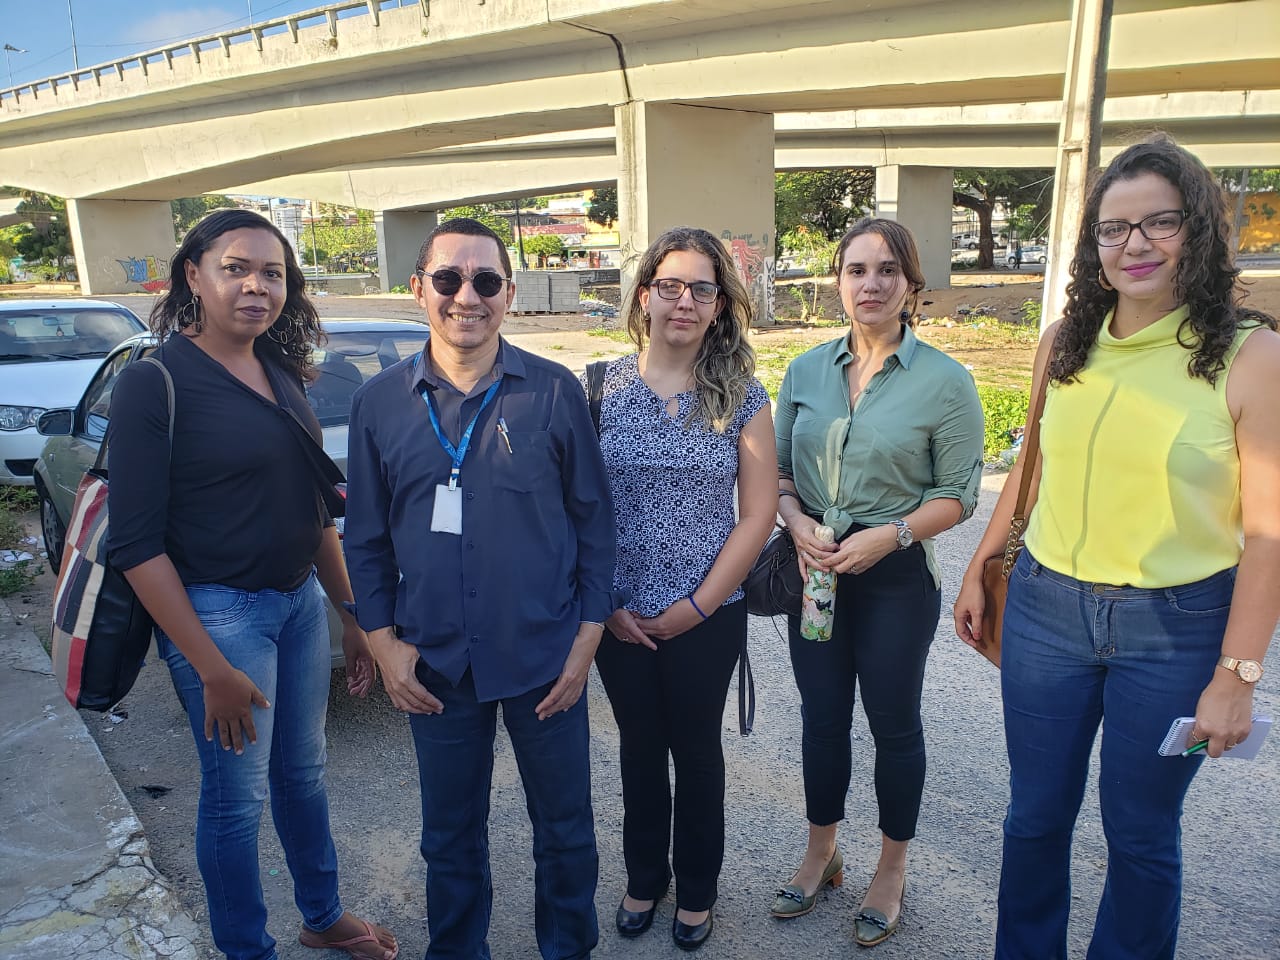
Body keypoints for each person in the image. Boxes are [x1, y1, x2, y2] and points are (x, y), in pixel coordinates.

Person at [953, 134, 1280, 960]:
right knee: (1034, 817)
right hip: (1046, 612)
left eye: (1159, 222)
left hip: (1177, 631)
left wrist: (1237, 676)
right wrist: (981, 567)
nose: (1135, 244)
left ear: (1198, 230)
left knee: (1140, 832)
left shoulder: (1253, 355)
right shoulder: (1063, 340)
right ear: (1092, 243)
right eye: (1113, 228)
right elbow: (1031, 470)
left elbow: (1268, 535)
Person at [107, 209, 397, 960]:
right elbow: (136, 546)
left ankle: (321, 915)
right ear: (193, 275)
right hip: (218, 616)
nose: (256, 286)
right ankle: (247, 949)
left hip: (298, 605)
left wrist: (350, 613)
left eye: (272, 273)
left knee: (304, 774)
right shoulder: (153, 383)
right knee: (237, 799)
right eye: (235, 268)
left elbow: (314, 506)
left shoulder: (278, 369)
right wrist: (210, 667)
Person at [342, 217, 619, 960]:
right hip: (435, 663)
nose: (467, 296)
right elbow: (364, 539)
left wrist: (587, 640)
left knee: (565, 832)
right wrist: (383, 643)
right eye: (449, 279)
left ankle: (568, 949)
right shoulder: (379, 404)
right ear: (418, 289)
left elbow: (594, 523)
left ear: (510, 294)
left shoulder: (554, 392)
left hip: (545, 658)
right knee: (449, 837)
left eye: (486, 281)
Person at [771, 218, 983, 947]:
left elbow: (959, 495)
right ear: (838, 282)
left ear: (911, 285)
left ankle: (891, 869)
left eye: (887, 269)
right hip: (817, 570)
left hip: (894, 574)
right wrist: (795, 521)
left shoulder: (945, 381)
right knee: (822, 718)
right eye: (856, 269)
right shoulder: (805, 372)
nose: (871, 284)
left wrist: (888, 536)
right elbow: (779, 473)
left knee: (893, 725)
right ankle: (821, 852)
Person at [590, 227, 777, 952]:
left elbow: (757, 514)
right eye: (670, 286)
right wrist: (605, 604)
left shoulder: (743, 397)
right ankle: (645, 877)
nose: (685, 301)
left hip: (708, 612)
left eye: (703, 289)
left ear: (720, 306)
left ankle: (697, 888)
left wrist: (697, 607)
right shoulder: (598, 388)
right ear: (644, 296)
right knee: (639, 748)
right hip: (619, 616)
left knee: (697, 752)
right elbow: (575, 507)